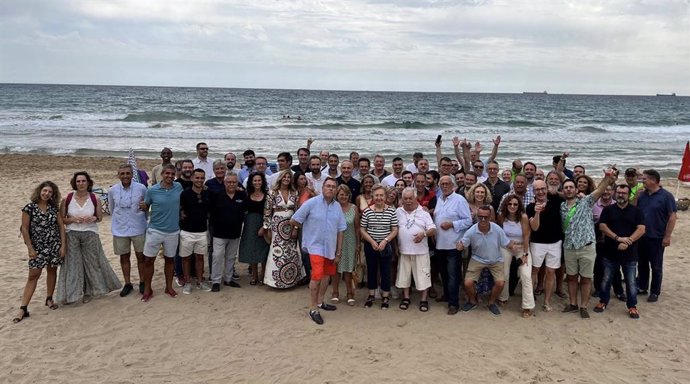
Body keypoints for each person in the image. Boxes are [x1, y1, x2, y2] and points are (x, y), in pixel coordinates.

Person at [560, 167, 617, 319]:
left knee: (586, 279)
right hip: (569, 247)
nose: (568, 189)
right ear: (563, 191)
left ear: (575, 188)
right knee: (571, 278)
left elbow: (599, 191)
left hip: (587, 247)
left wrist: (607, 177)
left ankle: (583, 306)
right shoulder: (562, 206)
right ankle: (573, 304)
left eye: (571, 187)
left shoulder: (586, 201)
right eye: (565, 188)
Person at [57, 171, 121, 304]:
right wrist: (74, 219)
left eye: (83, 181)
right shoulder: (67, 198)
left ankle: (88, 292)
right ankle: (72, 295)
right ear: (75, 183)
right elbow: (62, 219)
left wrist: (93, 218)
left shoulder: (94, 198)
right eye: (78, 181)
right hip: (72, 234)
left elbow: (100, 218)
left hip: (90, 234)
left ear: (88, 182)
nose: (81, 184)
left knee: (91, 263)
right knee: (73, 265)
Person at [290, 178, 347, 325]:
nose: (330, 189)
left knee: (327, 275)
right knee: (316, 276)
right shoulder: (311, 203)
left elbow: (341, 231)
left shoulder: (337, 208)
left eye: (333, 187)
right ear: (322, 188)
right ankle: (313, 308)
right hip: (315, 247)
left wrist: (338, 252)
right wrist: (308, 231)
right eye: (328, 186)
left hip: (331, 248)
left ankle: (321, 302)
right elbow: (294, 219)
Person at [14, 181, 66, 323]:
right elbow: (24, 229)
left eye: (50, 192)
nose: (46, 194)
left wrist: (63, 246)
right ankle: (23, 307)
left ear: (52, 195)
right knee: (33, 275)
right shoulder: (29, 208)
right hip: (37, 247)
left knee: (52, 270)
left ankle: (49, 298)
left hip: (54, 244)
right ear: (39, 191)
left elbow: (61, 227)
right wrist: (30, 248)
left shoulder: (53, 209)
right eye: (44, 191)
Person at [457, 205, 518, 316]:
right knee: (467, 283)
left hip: (496, 260)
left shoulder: (497, 229)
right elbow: (463, 244)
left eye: (486, 217)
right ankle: (472, 301)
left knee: (500, 283)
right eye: (480, 217)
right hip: (477, 259)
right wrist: (459, 246)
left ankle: (491, 302)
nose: (483, 219)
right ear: (477, 217)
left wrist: (512, 246)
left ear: (490, 217)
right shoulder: (471, 231)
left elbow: (506, 243)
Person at [595, 184, 646, 319]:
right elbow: (602, 226)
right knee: (606, 279)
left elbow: (641, 229)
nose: (620, 195)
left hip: (630, 253)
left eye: (623, 193)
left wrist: (628, 241)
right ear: (614, 194)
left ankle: (632, 306)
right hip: (610, 252)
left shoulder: (636, 211)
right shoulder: (608, 210)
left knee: (630, 282)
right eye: (618, 192)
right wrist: (618, 238)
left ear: (628, 195)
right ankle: (603, 301)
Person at [140, 164, 183, 301]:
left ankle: (168, 287)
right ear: (162, 174)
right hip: (155, 230)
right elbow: (146, 207)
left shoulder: (178, 187)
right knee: (148, 260)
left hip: (173, 231)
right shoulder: (152, 190)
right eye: (167, 173)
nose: (170, 176)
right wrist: (143, 206)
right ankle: (147, 288)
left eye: (172, 174)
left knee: (170, 260)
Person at [433, 175, 472, 315]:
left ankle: (453, 303)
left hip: (453, 244)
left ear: (453, 185)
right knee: (443, 274)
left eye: (447, 183)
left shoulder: (459, 200)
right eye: (442, 184)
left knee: (453, 275)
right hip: (440, 244)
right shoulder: (439, 199)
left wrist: (452, 224)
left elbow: (468, 221)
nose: (444, 186)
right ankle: (446, 295)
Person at [636, 169, 677, 302]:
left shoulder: (666, 196)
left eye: (644, 179)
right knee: (642, 263)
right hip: (641, 236)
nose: (642, 181)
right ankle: (642, 287)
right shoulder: (642, 195)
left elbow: (672, 217)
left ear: (653, 180)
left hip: (657, 237)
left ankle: (655, 291)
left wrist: (667, 236)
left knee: (656, 266)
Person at [260, 170, 305, 288]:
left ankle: (291, 280)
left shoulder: (294, 193)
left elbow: (297, 212)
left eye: (288, 177)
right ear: (280, 178)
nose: (286, 179)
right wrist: (267, 228)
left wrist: (295, 228)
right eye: (284, 177)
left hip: (290, 225)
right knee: (276, 251)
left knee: (291, 251)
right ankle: (275, 281)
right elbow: (267, 212)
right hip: (276, 225)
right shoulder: (272, 193)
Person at [108, 164, 148, 297]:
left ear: (132, 174)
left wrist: (145, 208)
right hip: (120, 228)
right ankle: (127, 283)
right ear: (118, 175)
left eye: (128, 173)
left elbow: (146, 207)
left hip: (138, 227)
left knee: (141, 256)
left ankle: (142, 282)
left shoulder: (141, 188)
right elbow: (112, 209)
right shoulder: (113, 190)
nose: (125, 176)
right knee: (124, 257)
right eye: (122, 173)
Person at [396, 187, 436, 312]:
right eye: (405, 199)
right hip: (404, 250)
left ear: (415, 198)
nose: (408, 201)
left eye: (410, 198)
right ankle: (406, 298)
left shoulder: (423, 213)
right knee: (404, 276)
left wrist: (423, 234)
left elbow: (433, 229)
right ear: (402, 199)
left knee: (423, 276)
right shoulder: (398, 211)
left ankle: (423, 300)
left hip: (421, 251)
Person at [527, 180, 564, 312]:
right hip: (537, 243)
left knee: (550, 272)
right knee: (534, 271)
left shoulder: (556, 202)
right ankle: (529, 301)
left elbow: (568, 196)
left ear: (546, 189)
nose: (541, 192)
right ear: (533, 192)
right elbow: (535, 228)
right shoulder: (530, 207)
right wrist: (537, 212)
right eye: (538, 189)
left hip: (555, 243)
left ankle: (547, 301)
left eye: (543, 189)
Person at [360, 185, 399, 309]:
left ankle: (385, 296)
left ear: (385, 196)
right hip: (370, 244)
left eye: (381, 195)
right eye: (376, 195)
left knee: (385, 271)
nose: (379, 198)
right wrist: (372, 242)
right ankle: (371, 295)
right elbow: (362, 229)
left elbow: (394, 229)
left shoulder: (391, 211)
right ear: (373, 196)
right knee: (371, 270)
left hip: (385, 245)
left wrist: (385, 241)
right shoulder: (367, 211)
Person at [497, 194, 535, 317]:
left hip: (521, 248)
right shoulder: (502, 217)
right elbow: (500, 234)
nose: (512, 206)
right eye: (510, 204)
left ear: (519, 206)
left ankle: (527, 306)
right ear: (506, 205)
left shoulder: (523, 217)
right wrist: (508, 244)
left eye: (515, 204)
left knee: (526, 276)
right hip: (507, 247)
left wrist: (525, 254)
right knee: (505, 274)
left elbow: (526, 236)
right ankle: (503, 297)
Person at [208, 171, 246, 292]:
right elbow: (210, 213)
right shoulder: (216, 195)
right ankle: (216, 281)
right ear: (224, 183)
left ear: (237, 183)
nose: (231, 184)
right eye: (229, 182)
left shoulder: (242, 195)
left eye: (234, 182)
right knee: (217, 257)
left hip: (235, 232)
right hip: (219, 233)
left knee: (231, 257)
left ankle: (228, 279)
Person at [179, 169, 213, 294]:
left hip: (202, 231)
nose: (199, 180)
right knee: (186, 258)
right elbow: (181, 210)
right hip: (187, 231)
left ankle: (200, 281)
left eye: (202, 178)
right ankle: (187, 282)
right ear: (192, 178)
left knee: (200, 257)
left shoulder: (207, 193)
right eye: (197, 178)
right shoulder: (185, 193)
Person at [330, 184, 360, 305]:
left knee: (348, 269)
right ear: (337, 195)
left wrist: (358, 243)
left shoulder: (354, 208)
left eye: (346, 194)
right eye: (341, 194)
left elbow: (357, 228)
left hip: (350, 241)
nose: (344, 196)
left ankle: (349, 293)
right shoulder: (332, 207)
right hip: (335, 241)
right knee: (335, 269)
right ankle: (335, 292)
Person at [239, 172, 270, 285]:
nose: (257, 182)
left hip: (263, 224)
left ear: (262, 182)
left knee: (263, 250)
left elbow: (270, 212)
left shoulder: (268, 195)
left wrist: (265, 227)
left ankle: (263, 275)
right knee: (252, 249)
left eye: (259, 180)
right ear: (251, 182)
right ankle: (254, 276)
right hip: (250, 224)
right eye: (255, 180)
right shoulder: (246, 194)